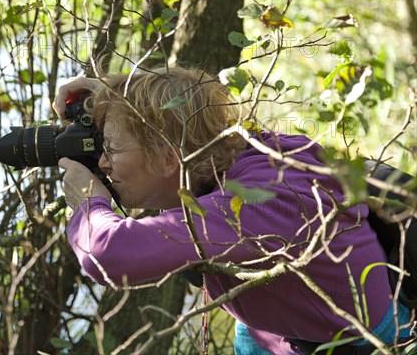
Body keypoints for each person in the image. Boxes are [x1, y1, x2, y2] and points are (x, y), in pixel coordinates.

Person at [54, 66, 412, 354]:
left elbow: (106, 254)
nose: (102, 162)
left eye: (112, 148)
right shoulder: (238, 148)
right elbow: (181, 112)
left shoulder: (256, 201)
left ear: (167, 157)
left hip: (357, 344)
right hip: (267, 331)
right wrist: (109, 92)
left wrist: (88, 200)